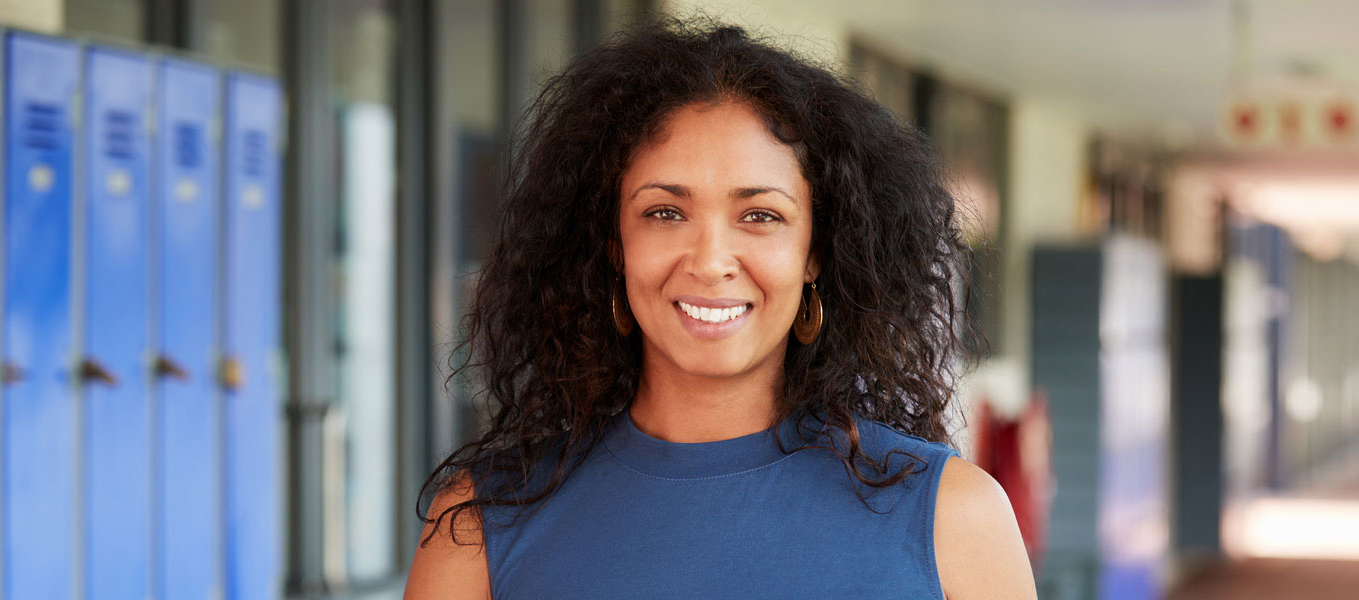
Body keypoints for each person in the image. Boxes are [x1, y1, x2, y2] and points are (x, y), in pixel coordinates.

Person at [404, 18, 1036, 600]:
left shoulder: (953, 518)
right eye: (665, 212)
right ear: (614, 247)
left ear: (816, 252)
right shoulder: (480, 529)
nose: (710, 261)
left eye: (759, 216)